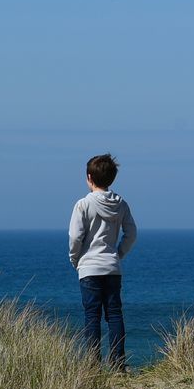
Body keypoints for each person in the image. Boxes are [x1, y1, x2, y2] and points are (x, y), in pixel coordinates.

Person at [68, 153, 137, 369]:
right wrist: (118, 254)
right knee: (114, 315)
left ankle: (93, 366)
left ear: (89, 177)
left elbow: (75, 237)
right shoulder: (121, 204)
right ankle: (118, 364)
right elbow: (131, 233)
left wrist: (75, 259)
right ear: (112, 178)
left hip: (89, 267)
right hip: (112, 267)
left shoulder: (83, 204)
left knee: (92, 316)